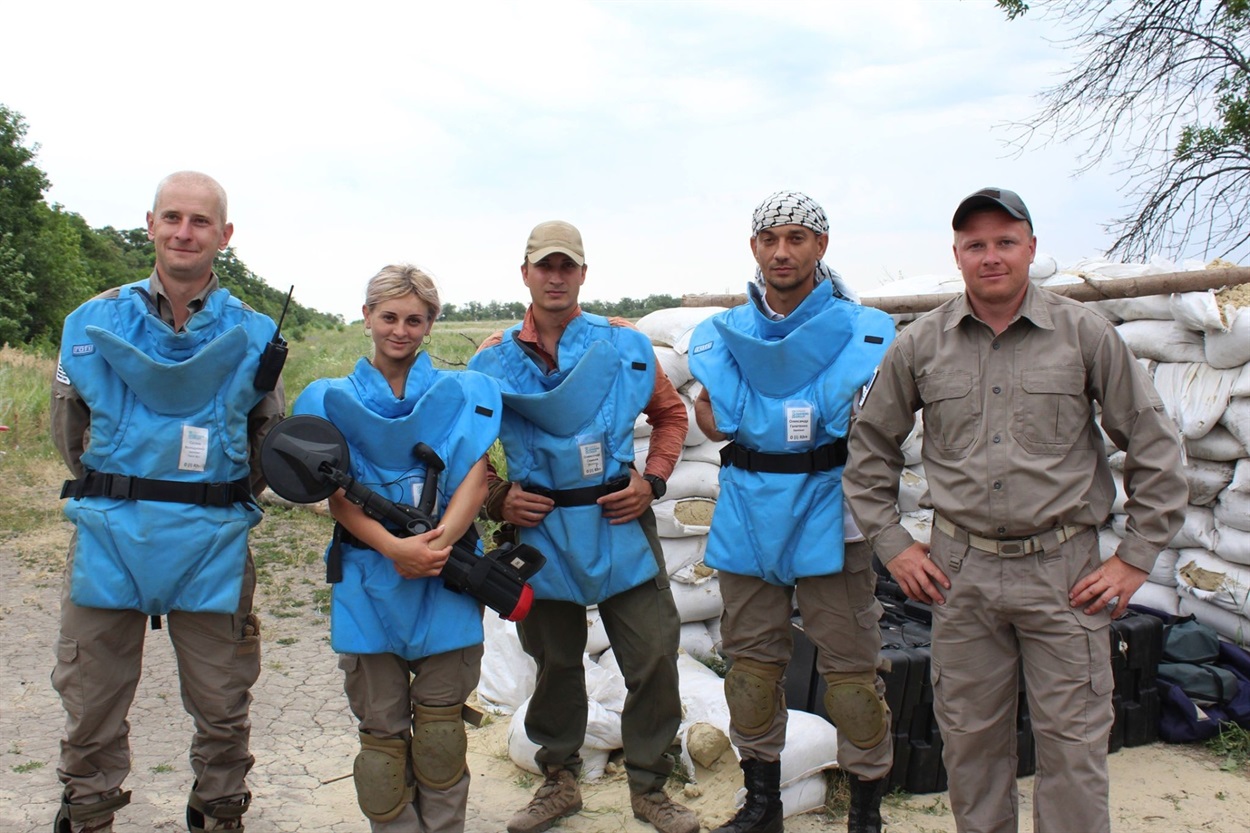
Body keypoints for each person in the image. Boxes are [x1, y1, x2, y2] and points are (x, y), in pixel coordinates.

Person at [844, 187, 1188, 833]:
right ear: (957, 254)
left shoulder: (1083, 333)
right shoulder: (921, 345)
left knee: (1074, 744)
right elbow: (868, 453)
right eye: (976, 244)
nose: (991, 256)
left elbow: (1153, 443)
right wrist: (894, 544)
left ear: (1031, 248)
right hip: (959, 575)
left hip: (1065, 575)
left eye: (1006, 241)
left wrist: (1134, 560)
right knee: (970, 743)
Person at [50, 171, 285, 833]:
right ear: (151, 223)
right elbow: (70, 431)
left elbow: (268, 438)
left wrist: (214, 495)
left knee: (223, 696)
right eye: (173, 217)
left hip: (212, 539)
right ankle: (89, 809)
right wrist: (120, 489)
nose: (185, 232)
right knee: (91, 693)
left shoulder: (257, 331)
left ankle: (218, 808)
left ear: (224, 236)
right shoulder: (90, 323)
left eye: (200, 221)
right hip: (109, 533)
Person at [467, 220, 697, 833]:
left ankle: (651, 787)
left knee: (653, 655)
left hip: (617, 518)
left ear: (583, 274)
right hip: (540, 531)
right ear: (525, 273)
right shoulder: (491, 359)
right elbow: (462, 445)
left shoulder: (623, 347)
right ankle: (559, 780)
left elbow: (671, 416)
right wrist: (497, 498)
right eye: (545, 265)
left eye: (567, 265)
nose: (556, 276)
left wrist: (653, 481)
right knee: (556, 662)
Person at [688, 191, 896, 833]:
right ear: (754, 246)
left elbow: (888, 426)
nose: (783, 250)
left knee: (853, 672)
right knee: (750, 666)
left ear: (820, 247)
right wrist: (712, 410)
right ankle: (762, 803)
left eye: (798, 237)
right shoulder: (725, 335)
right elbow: (712, 419)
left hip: (835, 514)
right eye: (770, 238)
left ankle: (866, 810)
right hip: (749, 510)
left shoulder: (860, 333)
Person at [292, 264, 501, 833]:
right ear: (367, 317)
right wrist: (394, 548)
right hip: (367, 575)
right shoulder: (330, 401)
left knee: (440, 733)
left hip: (447, 574)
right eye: (389, 317)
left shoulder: (463, 395)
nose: (400, 330)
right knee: (382, 742)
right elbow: (335, 494)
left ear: (431, 324)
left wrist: (437, 546)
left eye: (414, 319)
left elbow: (475, 476)